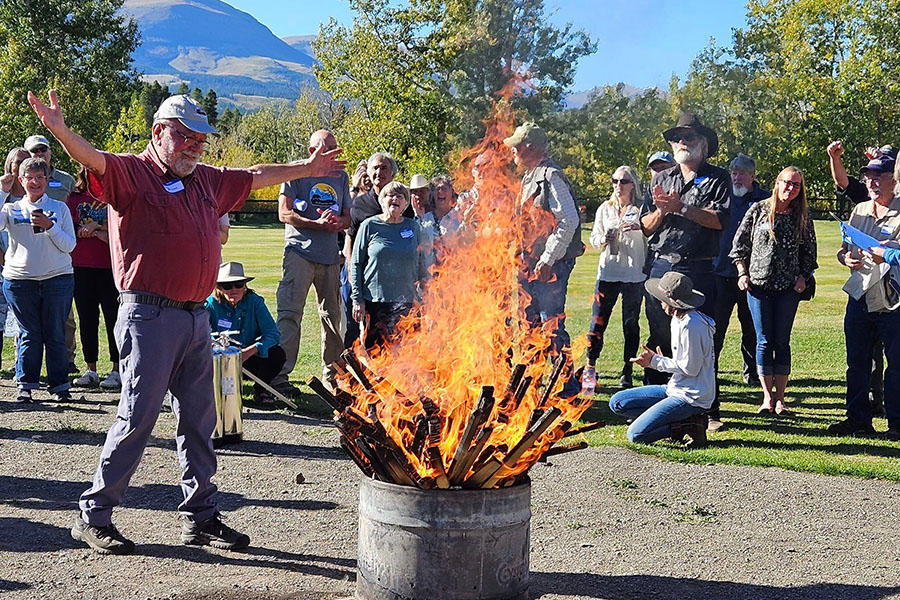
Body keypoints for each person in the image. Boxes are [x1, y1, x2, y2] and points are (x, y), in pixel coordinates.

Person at [28, 90, 345, 555]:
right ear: (159, 132)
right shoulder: (132, 173)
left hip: (196, 318)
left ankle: (201, 517)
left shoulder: (204, 180)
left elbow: (254, 175)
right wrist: (60, 130)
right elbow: (93, 158)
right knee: (137, 417)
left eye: (201, 140)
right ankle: (92, 514)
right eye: (185, 136)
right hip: (148, 315)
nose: (195, 146)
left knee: (201, 419)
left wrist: (306, 168)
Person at [640, 112, 730, 385]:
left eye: (688, 136)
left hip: (698, 267)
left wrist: (681, 207)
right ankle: (654, 401)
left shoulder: (718, 178)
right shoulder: (661, 179)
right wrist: (662, 210)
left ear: (702, 142)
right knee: (659, 334)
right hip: (661, 265)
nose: (681, 142)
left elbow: (719, 220)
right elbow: (645, 226)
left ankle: (705, 409)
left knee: (700, 336)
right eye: (676, 138)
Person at [503, 122, 583, 398]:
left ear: (530, 147)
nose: (512, 151)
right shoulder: (530, 177)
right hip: (529, 265)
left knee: (551, 324)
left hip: (548, 267)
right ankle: (534, 385)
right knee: (530, 324)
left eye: (516, 146)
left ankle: (567, 387)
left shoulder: (551, 176)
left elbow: (569, 220)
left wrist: (548, 258)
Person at [729, 166, 817, 416]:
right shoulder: (758, 210)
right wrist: (742, 273)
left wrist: (803, 277)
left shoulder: (801, 216)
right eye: (787, 183)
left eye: (796, 185)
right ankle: (767, 397)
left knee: (782, 340)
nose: (790, 188)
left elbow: (810, 253)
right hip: (758, 286)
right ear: (777, 183)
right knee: (764, 340)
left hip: (788, 287)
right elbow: (739, 246)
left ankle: (781, 398)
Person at [272, 130, 350, 396]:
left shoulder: (341, 176)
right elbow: (284, 212)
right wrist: (314, 224)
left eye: (333, 147)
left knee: (332, 318)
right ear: (310, 151)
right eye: (323, 147)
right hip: (299, 253)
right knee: (290, 314)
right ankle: (279, 377)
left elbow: (347, 218)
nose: (329, 152)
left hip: (329, 257)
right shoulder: (296, 171)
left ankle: (334, 378)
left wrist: (338, 223)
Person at [830, 155, 900, 440]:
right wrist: (845, 258)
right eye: (867, 176)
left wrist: (887, 251)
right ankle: (858, 419)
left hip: (892, 299)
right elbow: (844, 248)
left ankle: (896, 423)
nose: (870, 181)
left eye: (878, 175)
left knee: (896, 364)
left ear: (893, 179)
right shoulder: (859, 209)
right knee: (856, 362)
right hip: (860, 295)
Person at [607, 271, 714, 448]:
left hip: (691, 396)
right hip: (676, 388)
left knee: (636, 434)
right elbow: (686, 362)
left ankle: (687, 425)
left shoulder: (691, 325)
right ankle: (678, 418)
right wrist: (662, 361)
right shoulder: (678, 319)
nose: (659, 302)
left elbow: (691, 368)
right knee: (618, 402)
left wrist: (656, 362)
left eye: (662, 298)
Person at [0, 157, 76, 404]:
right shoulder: (11, 209)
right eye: (29, 178)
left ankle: (60, 386)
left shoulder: (59, 208)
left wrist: (50, 225)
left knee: (55, 331)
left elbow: (69, 245)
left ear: (47, 180)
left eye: (40, 177)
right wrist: (2, 192)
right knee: (29, 332)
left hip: (58, 278)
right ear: (21, 181)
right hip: (20, 280)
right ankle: (26, 385)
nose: (35, 182)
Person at [708, 153, 770, 431]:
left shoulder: (764, 200)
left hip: (752, 277)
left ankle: (753, 373)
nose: (736, 177)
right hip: (721, 274)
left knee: (752, 329)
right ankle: (712, 378)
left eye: (742, 173)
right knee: (715, 331)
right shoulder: (723, 198)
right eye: (733, 172)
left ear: (752, 176)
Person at [582, 165, 646, 394]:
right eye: (615, 181)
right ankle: (590, 368)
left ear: (633, 184)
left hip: (633, 274)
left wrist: (639, 226)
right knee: (597, 322)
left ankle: (627, 372)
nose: (618, 185)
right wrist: (603, 239)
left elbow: (650, 235)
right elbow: (594, 238)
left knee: (630, 324)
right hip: (608, 273)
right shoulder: (604, 209)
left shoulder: (641, 209)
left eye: (624, 181)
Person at [343, 152, 411, 348]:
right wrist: (349, 269)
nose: (379, 172)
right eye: (375, 168)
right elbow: (350, 237)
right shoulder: (361, 204)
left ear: (392, 173)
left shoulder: (405, 208)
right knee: (355, 328)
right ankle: (353, 374)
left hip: (400, 291)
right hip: (366, 281)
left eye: (384, 168)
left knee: (401, 342)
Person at [350, 182, 428, 349]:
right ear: (381, 201)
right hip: (376, 301)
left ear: (406, 204)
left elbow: (422, 262)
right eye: (389, 195)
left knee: (408, 353)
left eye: (400, 196)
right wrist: (357, 300)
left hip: (407, 301)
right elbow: (356, 263)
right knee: (377, 353)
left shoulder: (413, 227)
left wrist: (427, 293)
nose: (395, 199)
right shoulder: (369, 226)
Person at [25, 134, 78, 372]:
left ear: (50, 152)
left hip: (60, 251)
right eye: (34, 151)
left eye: (42, 150)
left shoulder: (66, 180)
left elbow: (78, 209)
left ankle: (67, 362)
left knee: (64, 317)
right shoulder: (21, 180)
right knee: (30, 322)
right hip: (28, 254)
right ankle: (27, 369)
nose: (39, 154)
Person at [67, 168, 120, 390]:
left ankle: (117, 370)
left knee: (114, 319)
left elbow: (121, 228)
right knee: (87, 319)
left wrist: (96, 227)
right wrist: (92, 231)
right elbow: (69, 228)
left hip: (110, 267)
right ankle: (91, 370)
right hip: (81, 266)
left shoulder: (114, 198)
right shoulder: (75, 198)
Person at [206, 262, 284, 405]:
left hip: (249, 357)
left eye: (239, 284)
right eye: (228, 286)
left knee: (277, 354)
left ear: (245, 285)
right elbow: (201, 335)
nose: (234, 289)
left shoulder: (255, 302)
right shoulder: (210, 305)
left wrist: (251, 350)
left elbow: (272, 333)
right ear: (219, 287)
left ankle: (261, 390)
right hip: (219, 358)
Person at [417, 175, 462, 263]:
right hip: (428, 274)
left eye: (444, 189)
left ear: (452, 193)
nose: (440, 192)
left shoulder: (460, 219)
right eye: (436, 189)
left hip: (454, 273)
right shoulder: (424, 219)